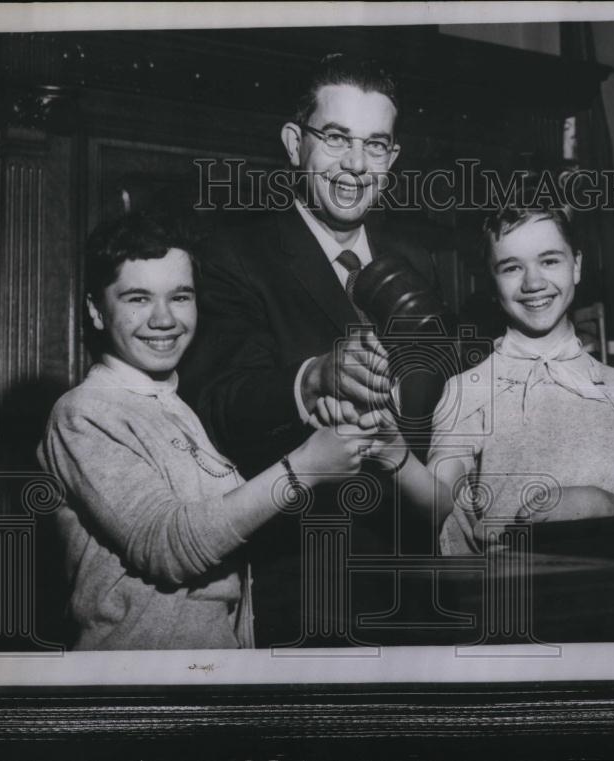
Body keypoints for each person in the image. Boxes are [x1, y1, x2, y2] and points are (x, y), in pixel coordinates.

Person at [179, 53, 440, 645]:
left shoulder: (419, 260)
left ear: (393, 158)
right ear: (296, 143)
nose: (355, 165)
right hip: (304, 587)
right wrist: (313, 378)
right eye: (336, 138)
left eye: (376, 145)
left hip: (424, 584)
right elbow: (219, 401)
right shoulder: (234, 256)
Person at [37, 214, 379, 649]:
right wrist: (304, 468)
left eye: (180, 296)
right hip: (136, 676)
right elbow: (168, 546)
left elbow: (227, 524)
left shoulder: (177, 406)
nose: (164, 319)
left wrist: (324, 425)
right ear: (95, 311)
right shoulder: (83, 413)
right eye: (138, 299)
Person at [317, 203, 614, 554]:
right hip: (509, 601)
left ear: (577, 266)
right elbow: (438, 507)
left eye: (550, 260)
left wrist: (609, 507)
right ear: (492, 282)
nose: (533, 282)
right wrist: (395, 453)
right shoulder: (466, 391)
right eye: (511, 268)